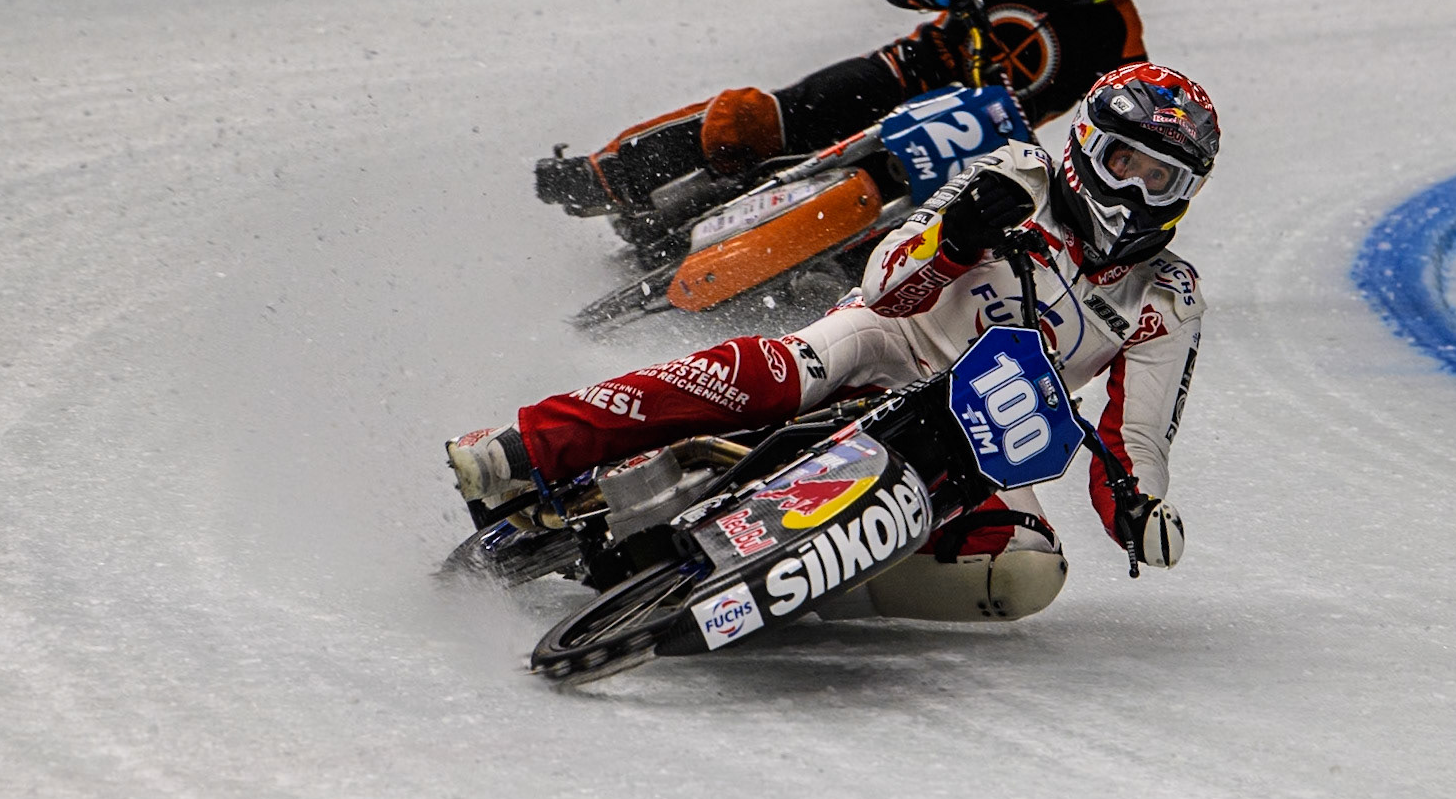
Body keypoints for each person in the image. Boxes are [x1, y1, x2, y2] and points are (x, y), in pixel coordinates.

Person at [452, 62, 1218, 623]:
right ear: (1087, 144)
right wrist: (955, 235)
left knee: (1024, 574)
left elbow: (1137, 437)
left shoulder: (1166, 295)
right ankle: (527, 444)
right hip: (888, 343)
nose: (1134, 192)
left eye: (1163, 179)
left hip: (977, 436)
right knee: (791, 368)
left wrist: (1137, 508)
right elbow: (887, 281)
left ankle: (811, 589)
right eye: (1125, 162)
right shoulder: (1017, 177)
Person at [535, 0, 1170, 222]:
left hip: (987, 143)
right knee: (757, 119)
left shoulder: (1120, 35)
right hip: (903, 76)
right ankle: (606, 174)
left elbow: (1135, 116)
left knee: (958, 242)